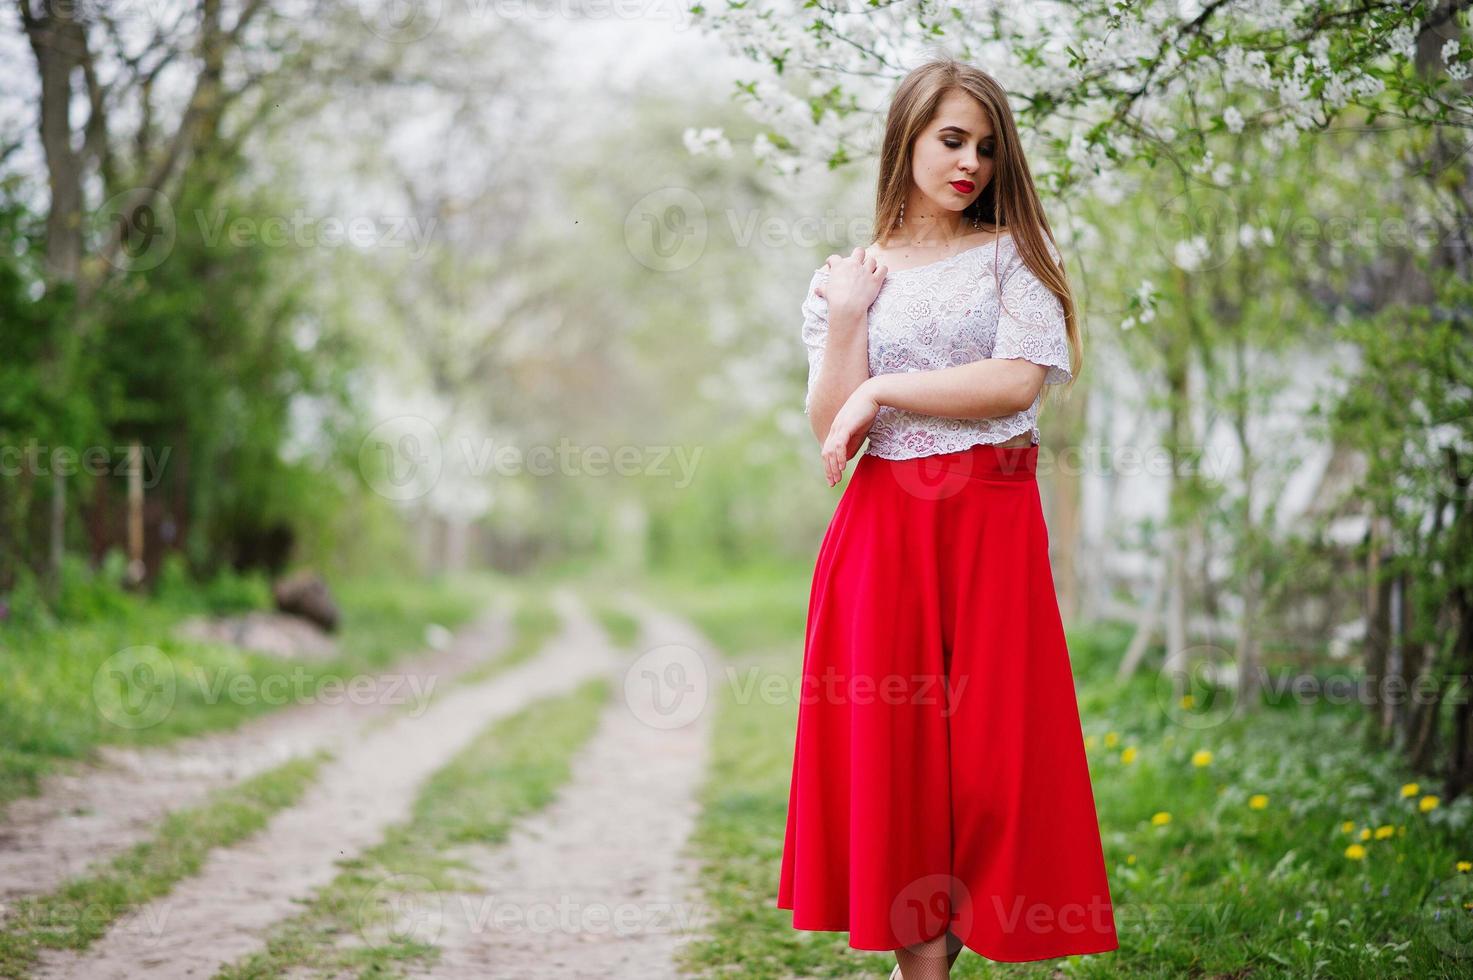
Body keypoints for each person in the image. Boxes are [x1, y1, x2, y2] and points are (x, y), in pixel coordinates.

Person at [775, 57, 1120, 979]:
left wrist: (884, 385)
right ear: (907, 140)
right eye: (951, 140)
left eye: (986, 146)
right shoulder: (845, 279)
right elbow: (831, 428)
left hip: (991, 521)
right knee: (899, 759)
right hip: (883, 527)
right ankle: (918, 972)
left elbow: (1015, 380)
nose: (970, 162)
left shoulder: (1014, 254)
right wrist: (849, 324)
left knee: (994, 760)